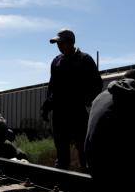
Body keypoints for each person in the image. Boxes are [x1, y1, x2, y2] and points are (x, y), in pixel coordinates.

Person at [41, 29, 103, 170]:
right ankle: (62, 179)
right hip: (59, 112)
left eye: (61, 43)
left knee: (83, 148)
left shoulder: (84, 60)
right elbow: (52, 86)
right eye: (57, 43)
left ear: (71, 42)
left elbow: (97, 84)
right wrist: (47, 106)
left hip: (77, 111)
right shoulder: (56, 61)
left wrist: (86, 100)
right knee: (61, 149)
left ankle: (86, 177)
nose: (58, 46)